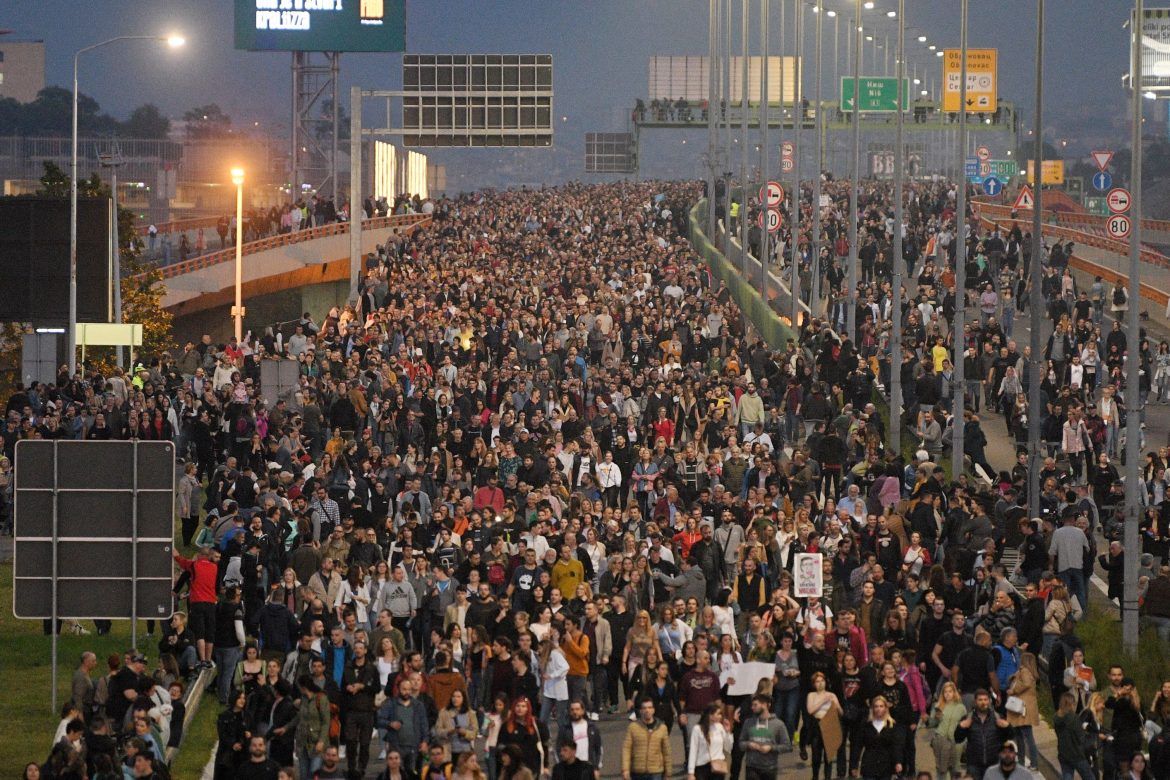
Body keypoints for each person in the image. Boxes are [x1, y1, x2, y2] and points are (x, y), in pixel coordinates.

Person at [737, 693, 789, 780]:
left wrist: (771, 748)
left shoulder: (778, 724)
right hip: (751, 767)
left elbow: (787, 746)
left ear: (764, 705)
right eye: (752, 705)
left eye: (755, 705)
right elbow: (741, 743)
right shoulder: (748, 722)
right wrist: (749, 744)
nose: (752, 707)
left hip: (770, 768)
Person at [622, 697, 672, 780]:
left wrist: (668, 773)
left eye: (649, 707)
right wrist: (625, 769)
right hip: (637, 772)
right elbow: (626, 749)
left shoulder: (662, 728)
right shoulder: (633, 727)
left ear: (653, 710)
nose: (647, 710)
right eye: (644, 708)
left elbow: (666, 751)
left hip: (656, 772)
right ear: (640, 711)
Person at [856, 696, 904, 780]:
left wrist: (898, 762)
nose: (879, 709)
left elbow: (896, 746)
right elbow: (858, 745)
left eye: (881, 706)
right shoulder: (866, 725)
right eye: (876, 706)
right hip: (869, 765)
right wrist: (854, 765)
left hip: (886, 765)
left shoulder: (891, 725)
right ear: (873, 708)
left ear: (885, 708)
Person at [686, 702, 733, 780]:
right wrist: (691, 772)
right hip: (702, 767)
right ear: (710, 715)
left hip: (718, 766)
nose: (721, 716)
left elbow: (728, 748)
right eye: (718, 714)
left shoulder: (720, 727)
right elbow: (693, 751)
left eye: (721, 714)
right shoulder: (697, 729)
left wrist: (728, 732)